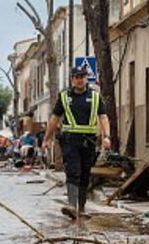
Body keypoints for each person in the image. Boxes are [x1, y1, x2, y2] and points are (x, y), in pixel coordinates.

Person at [42, 66, 110, 220]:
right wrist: (46, 139)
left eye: (82, 76)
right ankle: (72, 205)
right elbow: (54, 118)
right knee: (73, 171)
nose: (79, 80)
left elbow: (103, 117)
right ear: (72, 79)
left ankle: (81, 207)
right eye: (76, 77)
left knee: (85, 174)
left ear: (86, 78)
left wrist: (107, 136)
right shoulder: (65, 97)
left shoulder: (95, 97)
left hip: (89, 141)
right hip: (70, 140)